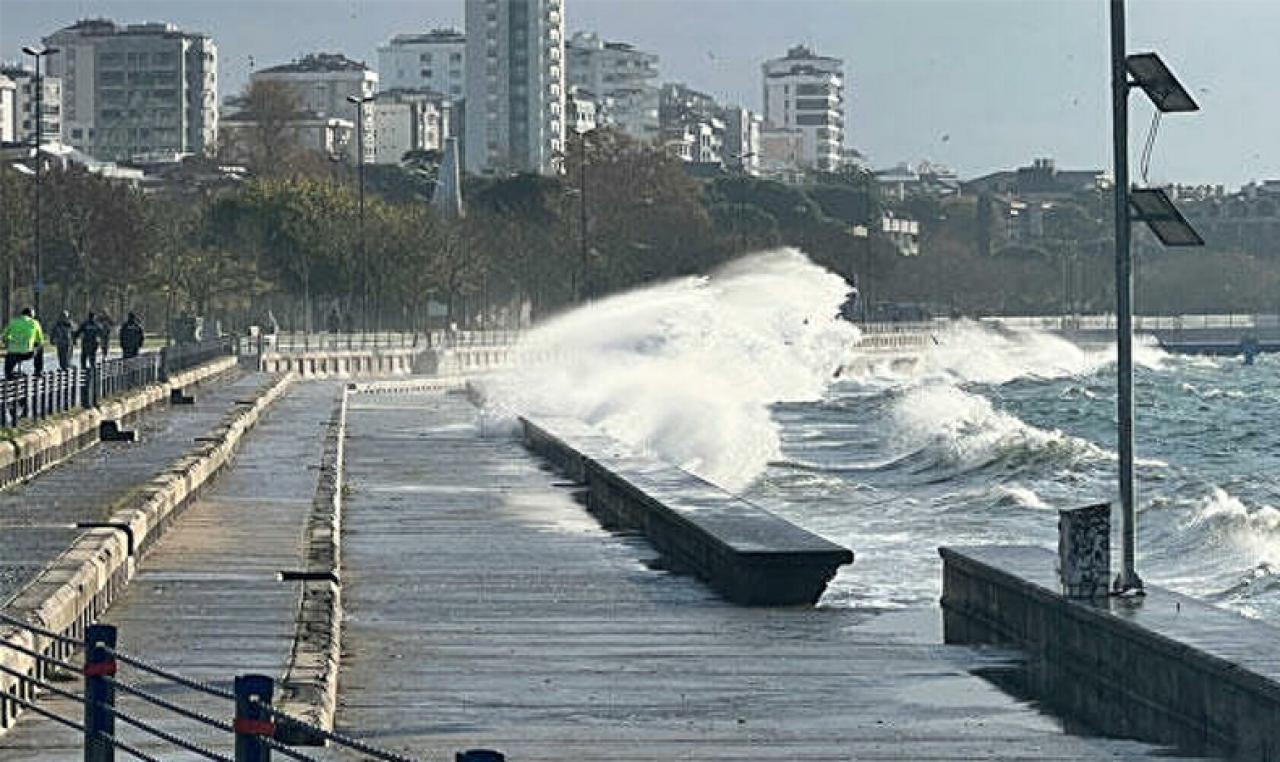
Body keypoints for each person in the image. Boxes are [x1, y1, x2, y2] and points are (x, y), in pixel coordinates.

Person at [2, 308, 44, 380]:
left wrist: (7, 343)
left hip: (13, 353)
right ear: (31, 315)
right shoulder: (35, 323)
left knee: (10, 355)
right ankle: (38, 371)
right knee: (40, 348)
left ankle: (8, 373)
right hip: (27, 353)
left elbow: (4, 336)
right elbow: (40, 340)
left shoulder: (13, 322)